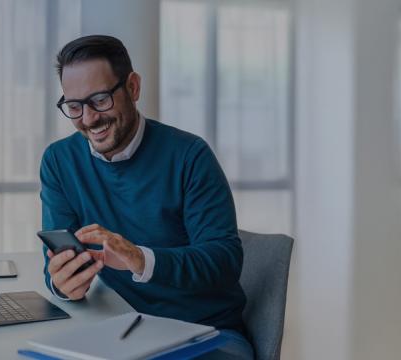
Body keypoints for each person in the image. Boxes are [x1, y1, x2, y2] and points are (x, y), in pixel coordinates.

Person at [40, 35, 252, 359]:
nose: (89, 118)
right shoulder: (59, 161)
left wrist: (140, 258)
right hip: (121, 331)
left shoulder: (190, 155)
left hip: (206, 334)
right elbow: (56, 262)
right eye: (74, 106)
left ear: (133, 87)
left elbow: (224, 262)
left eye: (100, 99)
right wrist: (63, 285)